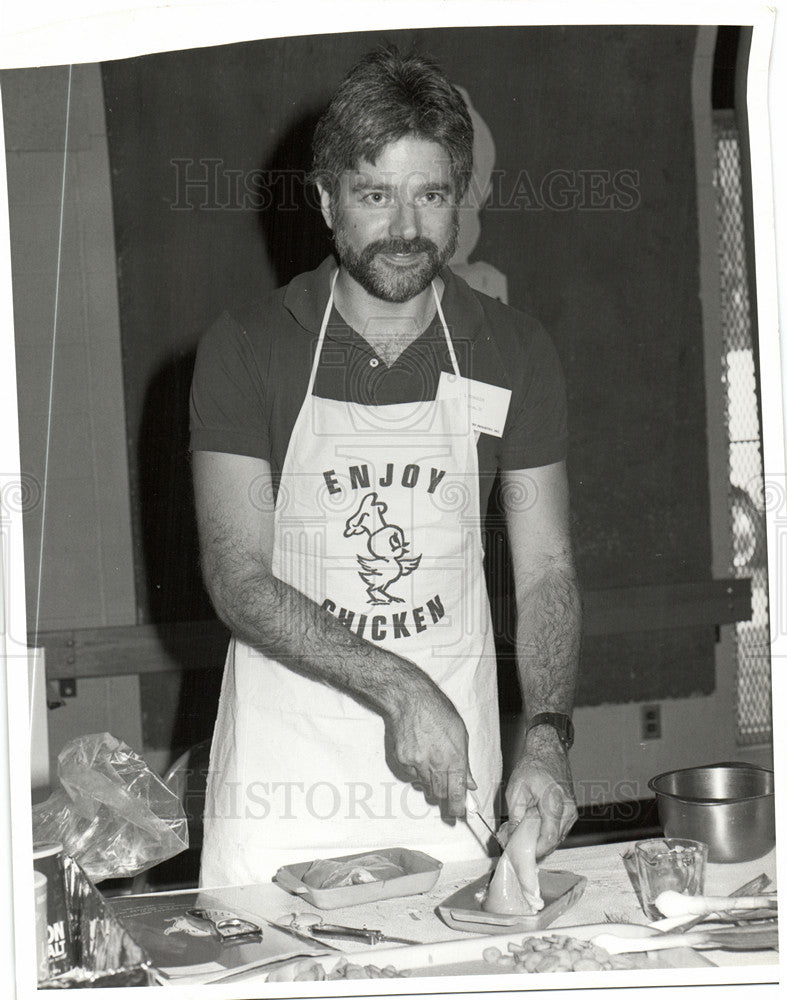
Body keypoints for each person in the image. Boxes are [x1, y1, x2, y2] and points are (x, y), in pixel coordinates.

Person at [189, 46, 581, 887]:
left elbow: (546, 571)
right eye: (375, 195)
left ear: (458, 203)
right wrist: (399, 688)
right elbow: (235, 576)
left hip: (448, 795)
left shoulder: (512, 349)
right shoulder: (249, 346)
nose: (406, 229)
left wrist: (546, 730)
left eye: (430, 195)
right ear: (328, 200)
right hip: (283, 787)